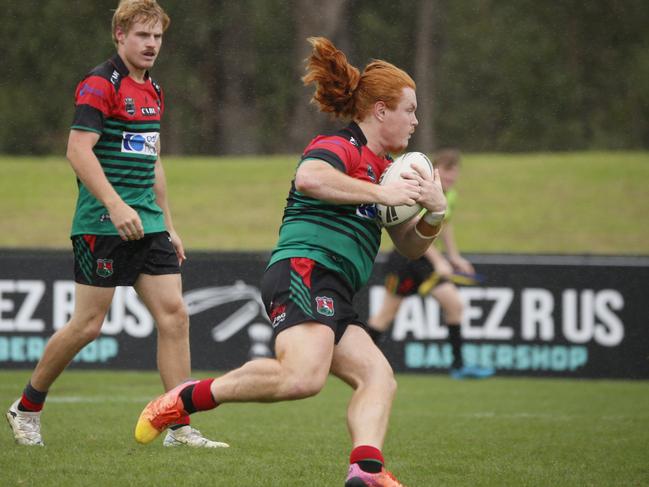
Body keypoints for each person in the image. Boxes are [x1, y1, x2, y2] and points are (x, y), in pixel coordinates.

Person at [133, 37, 447, 487]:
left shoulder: (386, 170)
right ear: (381, 110)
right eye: (409, 110)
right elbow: (310, 176)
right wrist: (382, 193)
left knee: (378, 377)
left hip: (337, 288)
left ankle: (366, 470)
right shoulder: (341, 146)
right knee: (303, 378)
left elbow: (410, 247)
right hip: (304, 269)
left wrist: (434, 212)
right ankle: (185, 398)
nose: (415, 121)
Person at [5, 0, 225, 449]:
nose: (151, 45)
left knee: (175, 317)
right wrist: (115, 204)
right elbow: (77, 151)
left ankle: (179, 426)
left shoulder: (155, 90)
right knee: (87, 326)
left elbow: (153, 161)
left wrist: (168, 223)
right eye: (142, 35)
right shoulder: (98, 84)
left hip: (148, 223)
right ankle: (26, 407)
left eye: (157, 36)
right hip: (101, 223)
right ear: (120, 35)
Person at [368, 149, 494, 379]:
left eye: (455, 172)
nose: (451, 177)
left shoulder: (450, 196)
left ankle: (458, 367)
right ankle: (361, 361)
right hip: (405, 259)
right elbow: (416, 229)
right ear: (435, 170)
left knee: (454, 305)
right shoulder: (423, 191)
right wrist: (439, 261)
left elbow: (444, 226)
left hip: (427, 262)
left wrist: (454, 257)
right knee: (385, 316)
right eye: (447, 171)